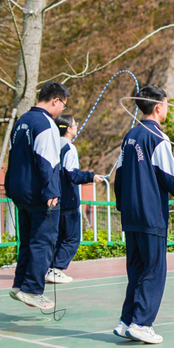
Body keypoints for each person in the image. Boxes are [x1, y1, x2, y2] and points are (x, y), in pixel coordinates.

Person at [113, 85, 174, 344]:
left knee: (136, 269)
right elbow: (171, 177)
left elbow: (120, 177)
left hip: (132, 216)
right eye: (167, 105)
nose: (167, 109)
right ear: (158, 107)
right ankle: (142, 323)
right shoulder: (157, 138)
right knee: (154, 269)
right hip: (150, 214)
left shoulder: (130, 136)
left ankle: (126, 321)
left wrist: (123, 206)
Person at [6, 82, 69, 310]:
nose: (62, 109)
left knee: (27, 241)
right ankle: (32, 289)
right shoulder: (46, 124)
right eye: (63, 104)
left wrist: (9, 186)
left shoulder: (22, 121)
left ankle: (19, 285)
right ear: (55, 100)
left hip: (19, 191)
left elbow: (13, 157)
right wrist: (52, 190)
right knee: (43, 242)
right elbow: (48, 160)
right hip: (38, 194)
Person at [46, 114, 103, 284]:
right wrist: (91, 177)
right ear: (69, 129)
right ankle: (56, 269)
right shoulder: (69, 148)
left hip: (52, 198)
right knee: (71, 237)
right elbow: (72, 173)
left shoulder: (50, 145)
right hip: (67, 199)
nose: (76, 126)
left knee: (56, 236)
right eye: (74, 124)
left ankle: (49, 268)